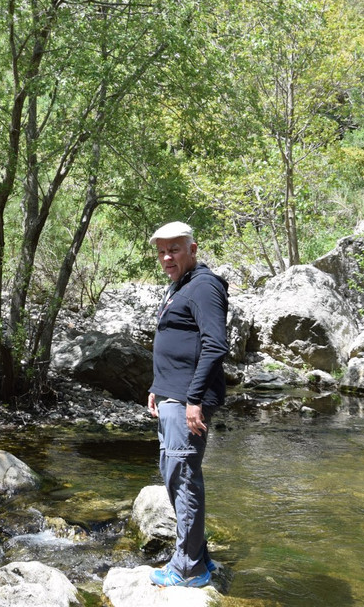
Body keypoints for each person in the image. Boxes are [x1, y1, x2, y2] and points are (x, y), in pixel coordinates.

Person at [146, 221, 229, 589]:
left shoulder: (205, 286)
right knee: (175, 474)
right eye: (162, 251)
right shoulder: (180, 285)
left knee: (183, 478)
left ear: (193, 249)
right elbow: (175, 341)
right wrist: (157, 387)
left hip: (186, 401)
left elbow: (215, 345)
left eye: (174, 249)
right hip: (171, 395)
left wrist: (193, 399)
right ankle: (199, 555)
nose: (167, 257)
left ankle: (189, 568)